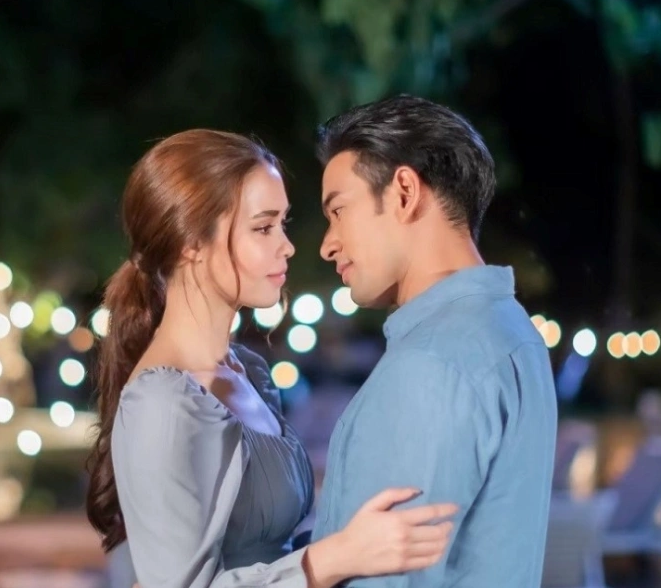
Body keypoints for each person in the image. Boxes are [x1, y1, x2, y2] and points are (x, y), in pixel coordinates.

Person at [86, 129, 458, 588]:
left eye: (283, 223)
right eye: (263, 228)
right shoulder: (162, 402)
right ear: (191, 242)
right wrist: (335, 557)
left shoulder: (248, 373)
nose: (287, 245)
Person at [311, 95, 558, 587]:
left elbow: (384, 578)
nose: (327, 244)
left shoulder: (432, 362)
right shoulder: (512, 332)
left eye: (338, 211)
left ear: (404, 192)